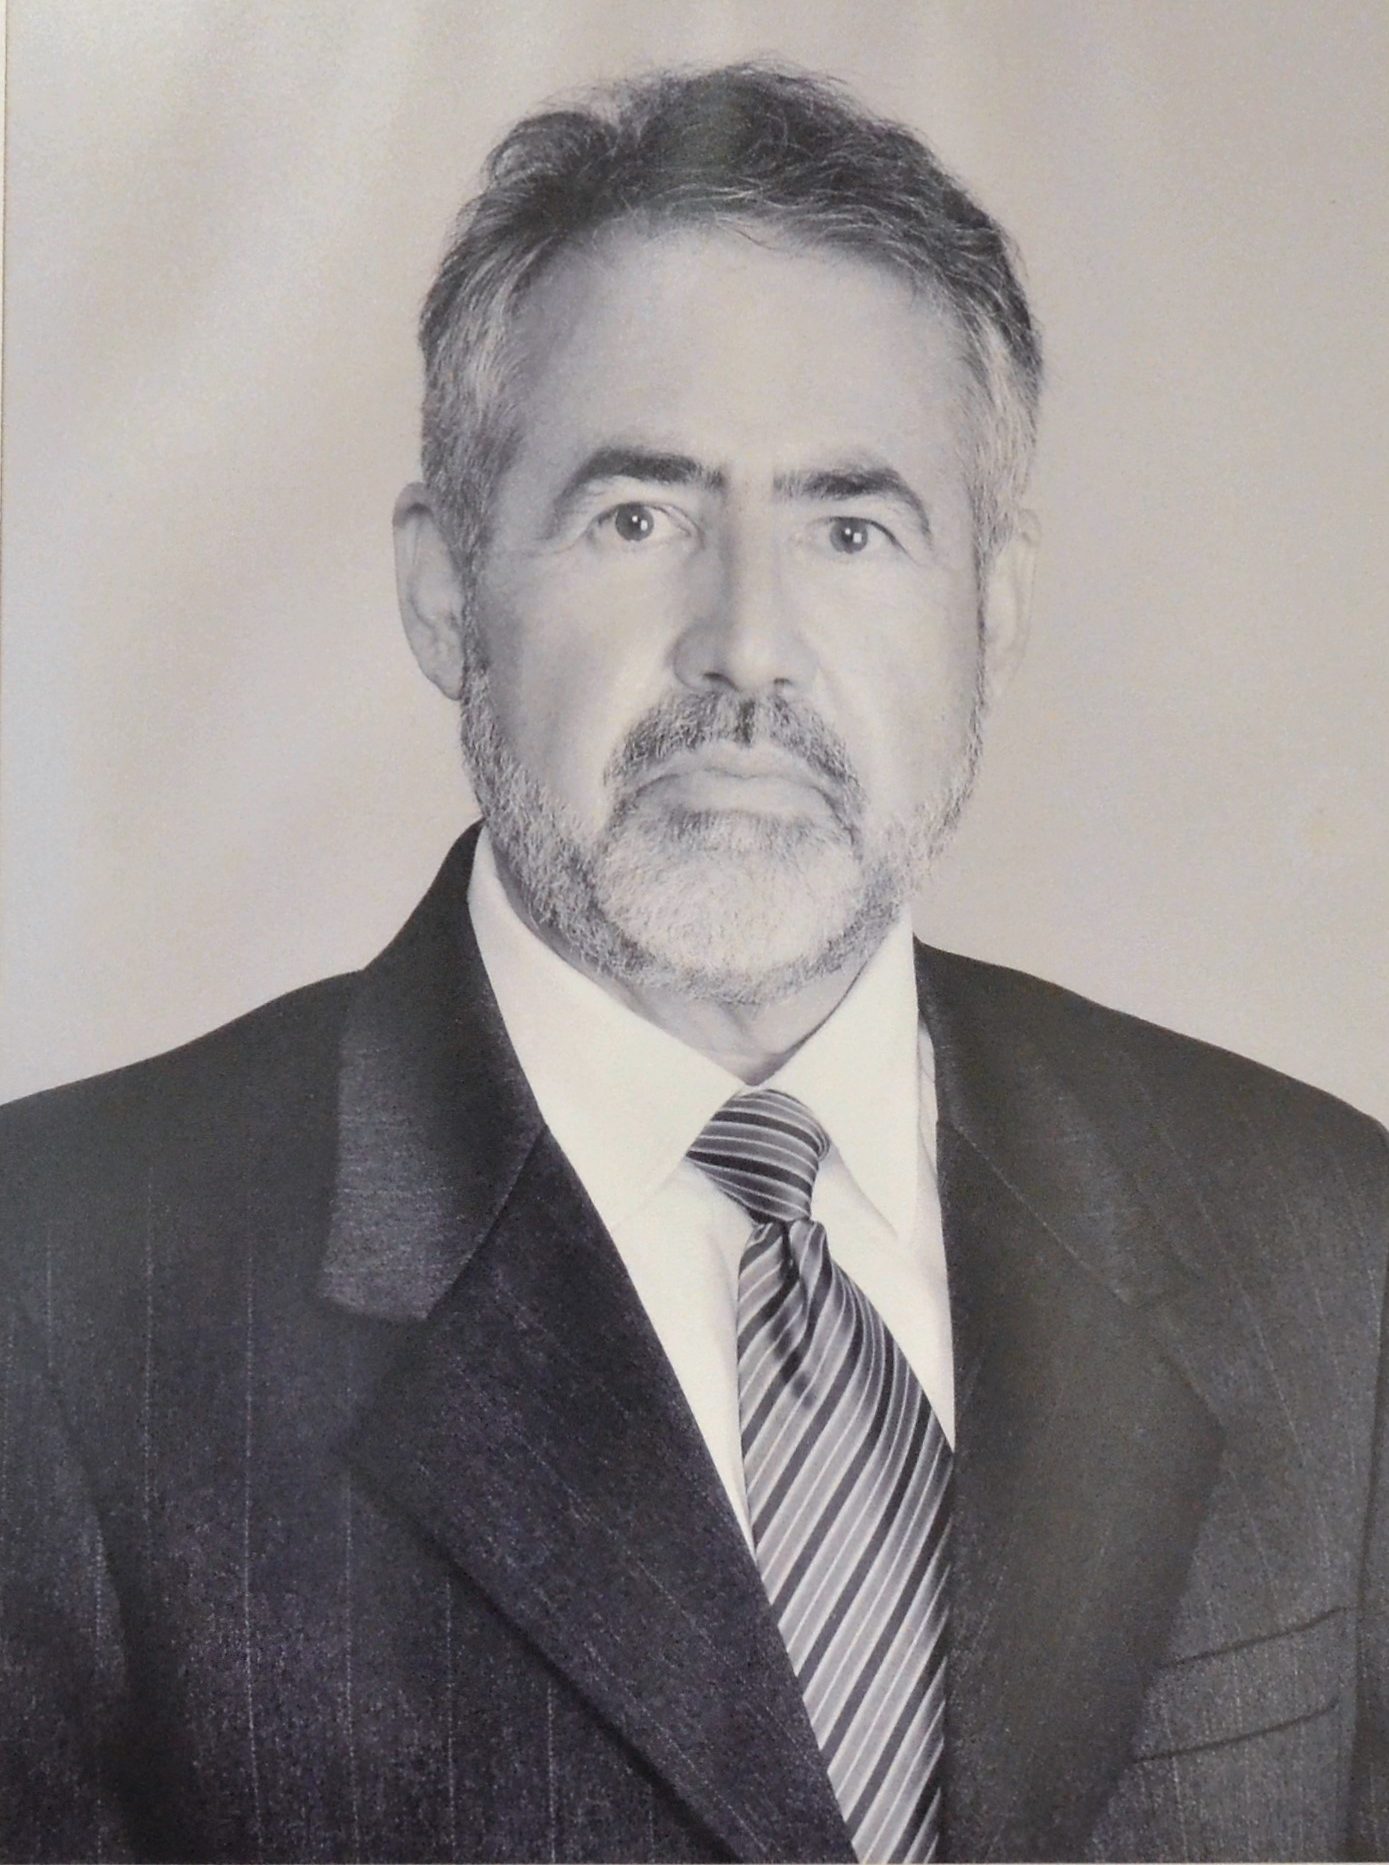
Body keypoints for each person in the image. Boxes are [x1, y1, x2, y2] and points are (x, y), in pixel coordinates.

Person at [1, 60, 1386, 1865]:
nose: (746, 647)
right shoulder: (57, 1298)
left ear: (991, 612)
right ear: (443, 590)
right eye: (637, 518)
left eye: (850, 527)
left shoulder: (1322, 1241)